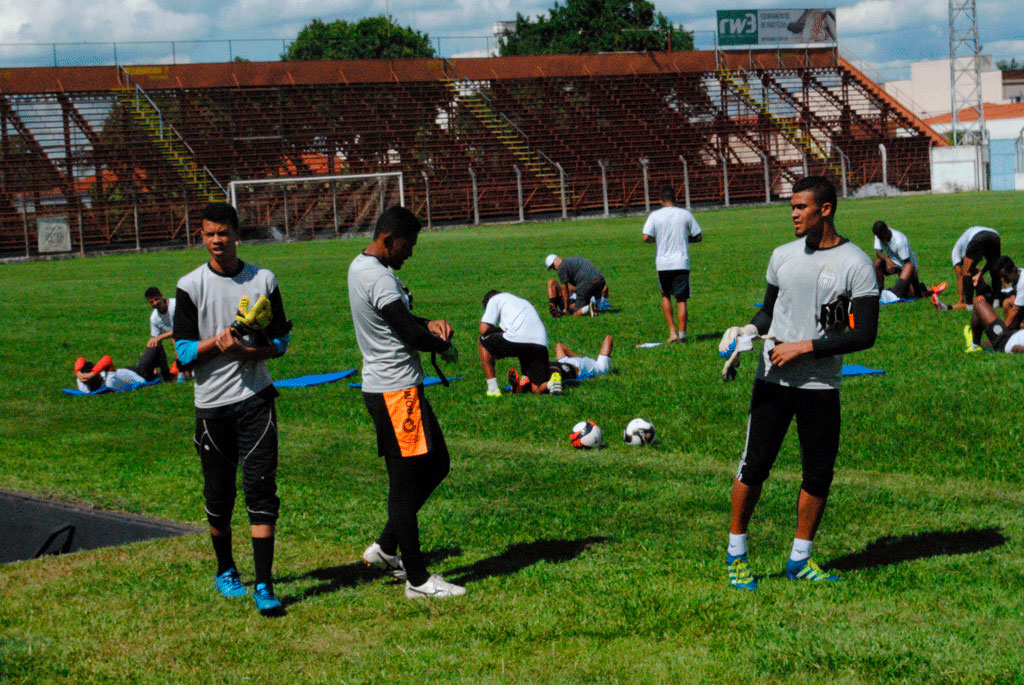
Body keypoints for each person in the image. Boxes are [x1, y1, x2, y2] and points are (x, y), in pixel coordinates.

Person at [718, 176, 878, 591]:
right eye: (791, 206)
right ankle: (737, 555)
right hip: (772, 380)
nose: (792, 214)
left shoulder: (856, 264)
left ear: (825, 210)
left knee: (818, 474)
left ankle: (800, 560)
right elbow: (768, 312)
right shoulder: (782, 255)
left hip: (821, 386)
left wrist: (802, 347)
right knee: (754, 466)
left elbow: (864, 335)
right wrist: (746, 333)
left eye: (800, 207)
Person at [173, 202, 292, 617]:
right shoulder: (190, 285)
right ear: (201, 236)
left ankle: (264, 584)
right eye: (209, 234)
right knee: (219, 496)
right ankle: (225, 569)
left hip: (256, 399)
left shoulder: (264, 280)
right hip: (212, 407)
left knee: (261, 489)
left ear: (237, 234)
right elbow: (184, 353)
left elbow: (280, 340)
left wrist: (251, 352)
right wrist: (218, 343)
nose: (217, 241)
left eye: (223, 233)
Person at [348, 205, 465, 600]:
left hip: (398, 388)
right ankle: (417, 580)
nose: (410, 252)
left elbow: (401, 320)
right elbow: (406, 333)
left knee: (437, 464)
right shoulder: (376, 277)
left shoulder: (365, 269)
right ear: (388, 239)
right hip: (395, 392)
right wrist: (440, 341)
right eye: (407, 245)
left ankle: (385, 547)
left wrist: (428, 322)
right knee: (404, 482)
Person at [642, 187, 703, 343]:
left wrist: (657, 241)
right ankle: (682, 335)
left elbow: (645, 237)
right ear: (675, 199)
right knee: (681, 299)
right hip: (681, 261)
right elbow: (698, 236)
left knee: (665, 295)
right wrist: (685, 239)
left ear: (661, 201)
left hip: (663, 263)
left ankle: (672, 332)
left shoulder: (655, 215)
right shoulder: (685, 214)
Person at [479, 290, 560, 396]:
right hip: (541, 343)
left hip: (519, 339)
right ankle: (551, 384)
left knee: (483, 340)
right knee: (537, 388)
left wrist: (492, 330)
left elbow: (483, 329)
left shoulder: (494, 300)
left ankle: (492, 389)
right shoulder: (520, 302)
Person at [871, 221, 946, 308]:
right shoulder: (879, 235)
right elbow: (878, 252)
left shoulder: (899, 241)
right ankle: (879, 291)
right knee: (876, 263)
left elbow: (910, 265)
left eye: (880, 237)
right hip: (894, 264)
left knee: (906, 294)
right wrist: (887, 260)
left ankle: (924, 290)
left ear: (886, 231)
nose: (879, 239)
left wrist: (916, 290)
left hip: (907, 269)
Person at [73, 345, 174, 392]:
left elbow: (79, 361)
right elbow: (107, 359)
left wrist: (78, 373)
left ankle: (155, 369)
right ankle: (167, 376)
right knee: (155, 344)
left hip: (125, 372)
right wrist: (92, 373)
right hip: (139, 374)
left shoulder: (83, 385)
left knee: (150, 362)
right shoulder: (109, 383)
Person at [951, 226, 1001, 308]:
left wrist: (961, 299)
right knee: (995, 268)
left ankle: (969, 306)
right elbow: (991, 263)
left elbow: (960, 275)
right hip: (995, 235)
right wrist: (980, 273)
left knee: (966, 272)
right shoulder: (965, 244)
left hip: (978, 237)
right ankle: (996, 301)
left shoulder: (955, 253)